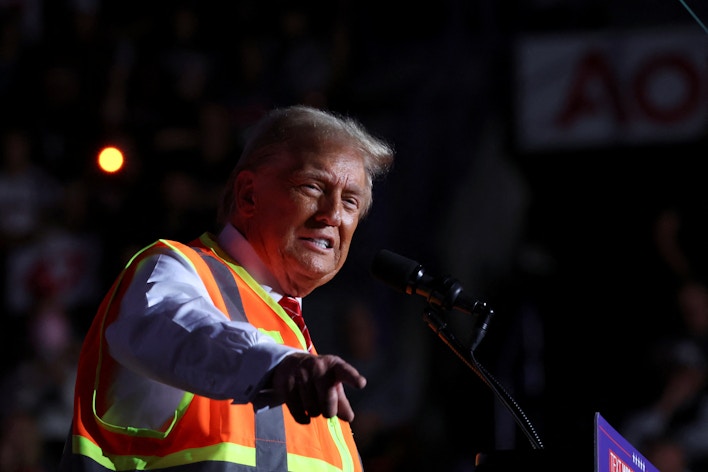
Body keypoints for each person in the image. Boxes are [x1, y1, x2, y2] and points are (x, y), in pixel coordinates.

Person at [59, 104, 395, 471]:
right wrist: (277, 365)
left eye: (350, 201)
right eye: (313, 186)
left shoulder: (306, 359)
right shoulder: (177, 269)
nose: (332, 214)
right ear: (249, 195)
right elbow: (175, 328)